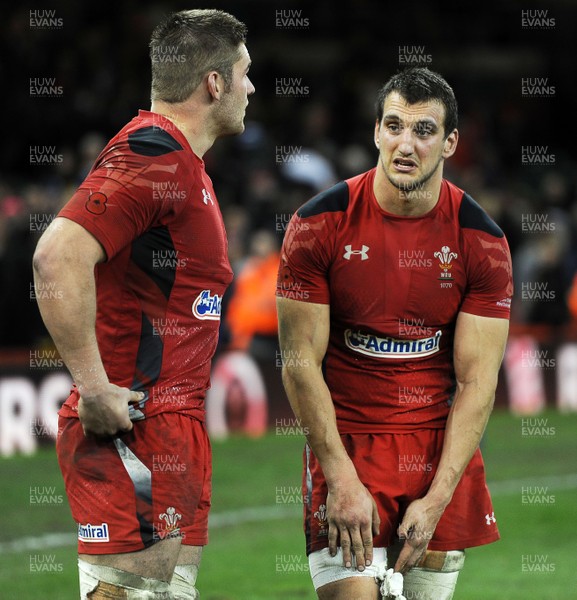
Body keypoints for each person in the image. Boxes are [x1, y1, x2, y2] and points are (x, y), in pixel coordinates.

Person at [32, 9, 254, 599]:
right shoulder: (151, 152)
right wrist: (94, 385)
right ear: (215, 83)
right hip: (135, 425)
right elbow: (56, 257)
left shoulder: (184, 164)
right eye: (245, 72)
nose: (252, 88)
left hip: (174, 427)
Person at [276, 67, 513, 600]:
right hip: (348, 444)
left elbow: (478, 382)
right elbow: (298, 362)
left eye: (425, 130)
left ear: (451, 142)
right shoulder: (318, 225)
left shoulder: (481, 240)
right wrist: (339, 476)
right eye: (395, 126)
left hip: (438, 455)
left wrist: (438, 498)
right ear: (376, 132)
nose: (406, 145)